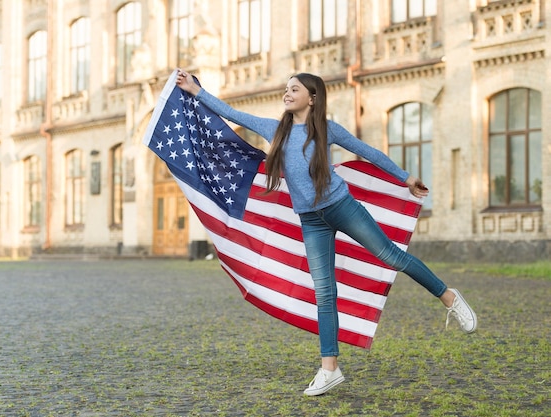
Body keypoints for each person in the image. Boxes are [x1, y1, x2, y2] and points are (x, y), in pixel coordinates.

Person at [175, 69, 477, 396]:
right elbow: (231, 113)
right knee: (324, 291)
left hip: (341, 206)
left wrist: (405, 178)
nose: (287, 94)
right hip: (311, 220)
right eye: (287, 88)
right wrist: (194, 90)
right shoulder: (274, 128)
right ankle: (329, 368)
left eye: (294, 89)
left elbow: (369, 152)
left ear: (312, 97)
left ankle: (449, 297)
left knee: (390, 256)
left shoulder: (327, 130)